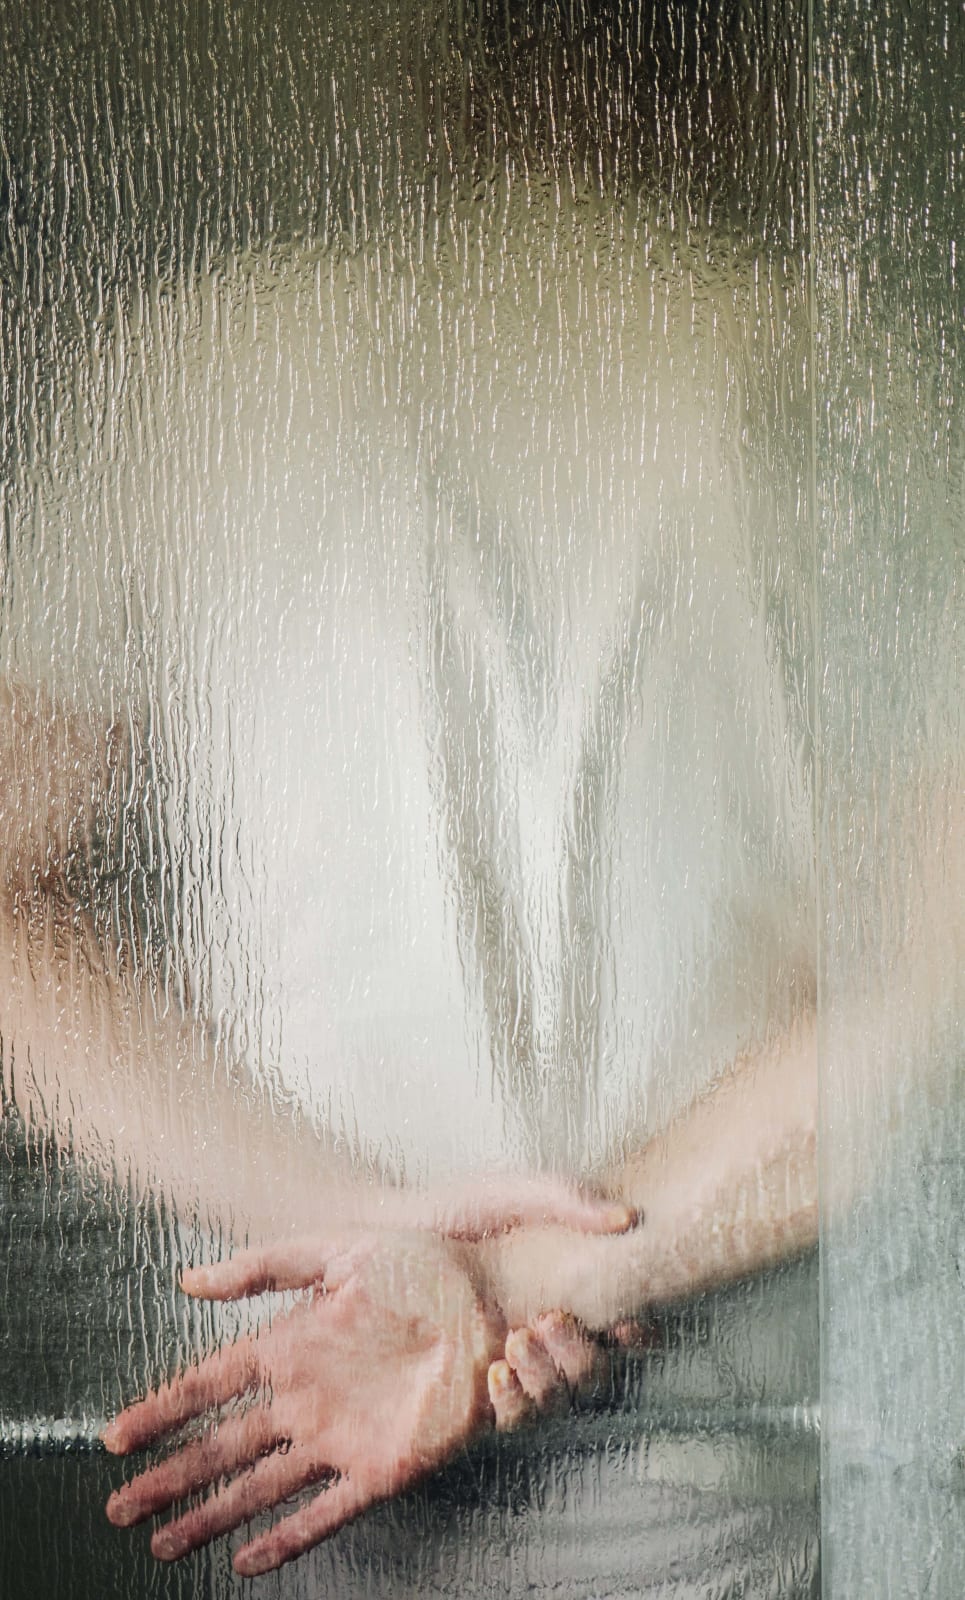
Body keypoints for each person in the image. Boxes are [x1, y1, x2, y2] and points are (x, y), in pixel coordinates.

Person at [1, 0, 959, 1584]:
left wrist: (370, 1247)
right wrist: (530, 1275)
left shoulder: (192, 371)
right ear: (741, 94)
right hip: (698, 1461)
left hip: (304, 1403)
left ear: (449, 90)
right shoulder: (846, 385)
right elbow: (928, 987)